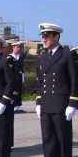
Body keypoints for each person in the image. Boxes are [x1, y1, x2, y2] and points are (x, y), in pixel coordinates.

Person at [35, 23, 78, 157]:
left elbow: (74, 80)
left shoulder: (66, 54)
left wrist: (73, 104)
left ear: (56, 36)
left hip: (61, 106)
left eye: (46, 36)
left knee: (63, 142)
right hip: (46, 106)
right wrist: (38, 101)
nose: (43, 39)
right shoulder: (42, 56)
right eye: (42, 36)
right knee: (48, 142)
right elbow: (40, 82)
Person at [9, 41, 26, 113]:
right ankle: (13, 107)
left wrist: (23, 76)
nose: (19, 49)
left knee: (19, 92)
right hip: (13, 78)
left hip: (19, 77)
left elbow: (21, 68)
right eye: (17, 47)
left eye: (20, 47)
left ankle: (18, 106)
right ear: (13, 47)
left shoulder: (20, 57)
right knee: (13, 92)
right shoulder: (10, 57)